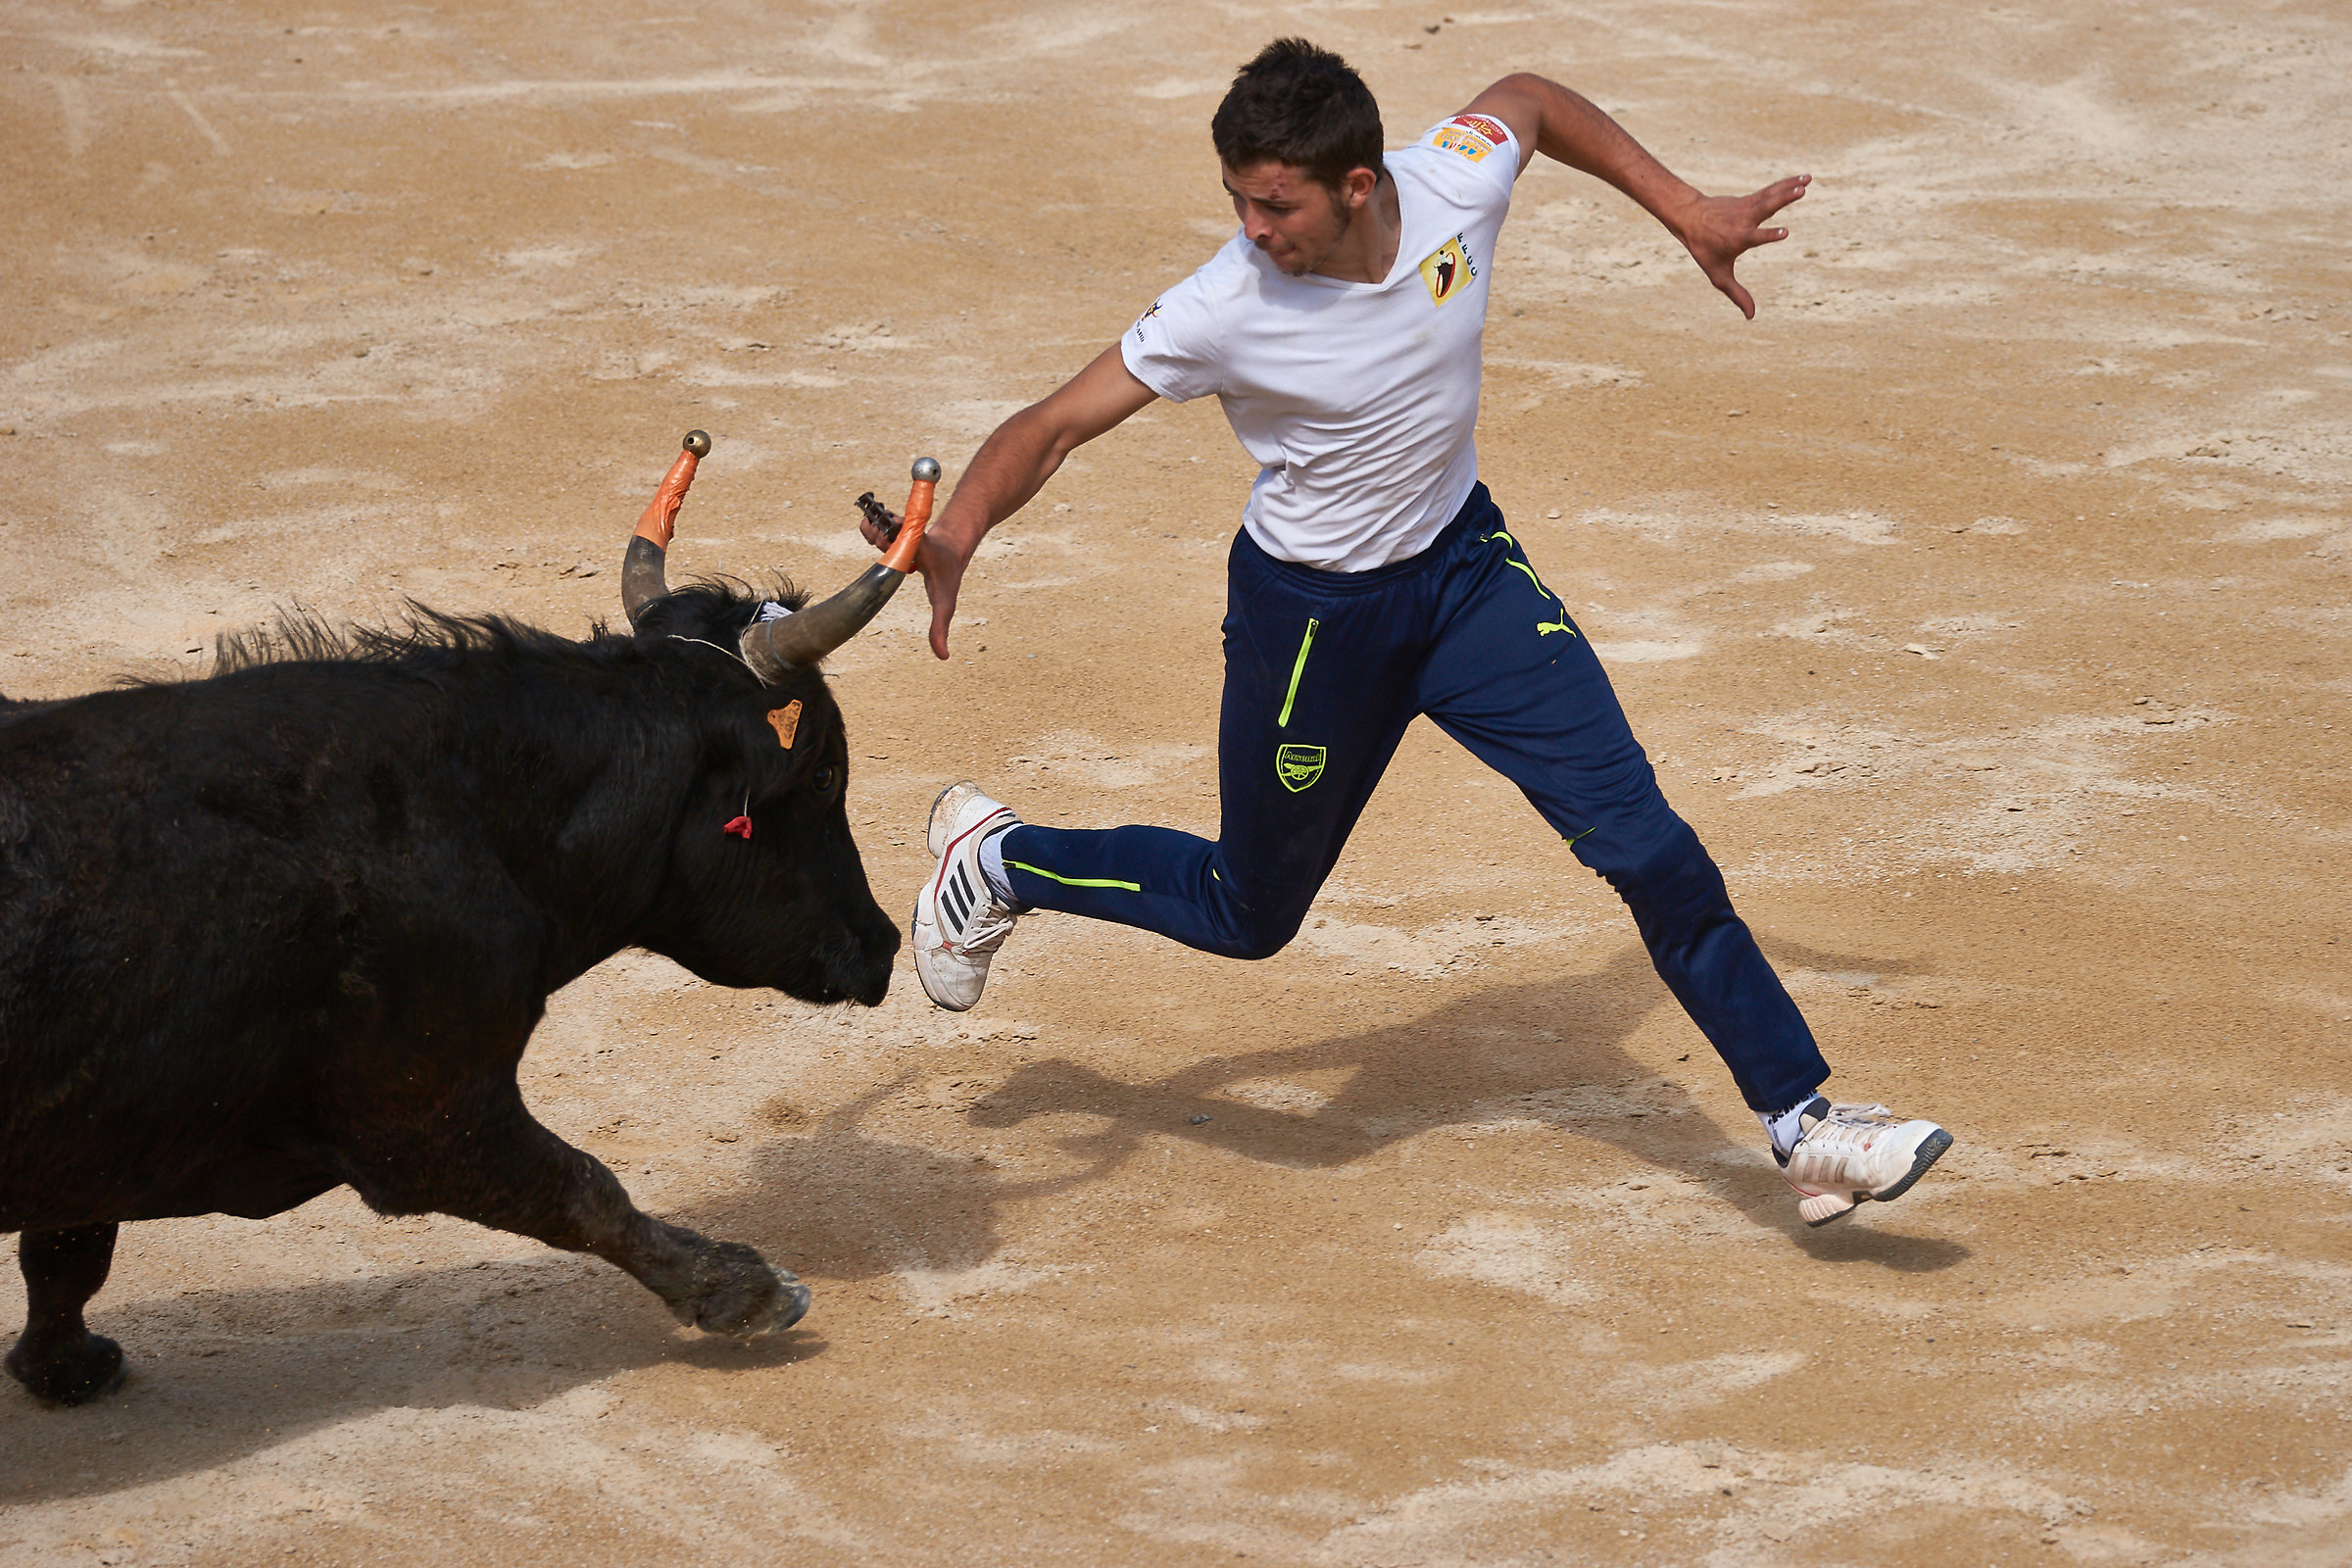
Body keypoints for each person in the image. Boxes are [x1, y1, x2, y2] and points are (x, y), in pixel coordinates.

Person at [872, 38, 1949, 1227]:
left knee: (1647, 845)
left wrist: (1684, 209)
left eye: (1274, 203)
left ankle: (1805, 1123)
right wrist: (960, 527)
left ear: (1359, 184)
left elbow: (1531, 101)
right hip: (1311, 625)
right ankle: (999, 861)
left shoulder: (1449, 181)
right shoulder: (1225, 304)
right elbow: (1056, 422)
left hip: (1465, 581)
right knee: (1248, 912)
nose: (1252, 227)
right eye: (1236, 197)